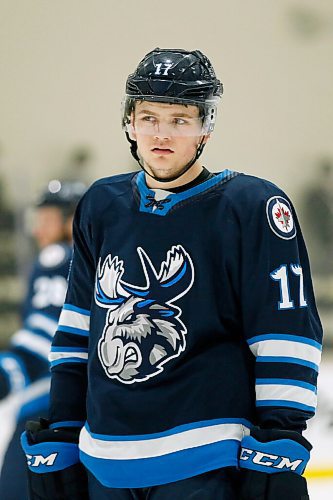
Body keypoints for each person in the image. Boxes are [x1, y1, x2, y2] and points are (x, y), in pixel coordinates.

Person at [22, 48, 322, 500]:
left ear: (205, 128)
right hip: (105, 461)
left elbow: (285, 330)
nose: (161, 134)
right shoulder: (102, 205)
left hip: (207, 459)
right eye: (149, 117)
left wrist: (281, 436)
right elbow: (77, 328)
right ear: (130, 123)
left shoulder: (253, 206)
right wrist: (63, 426)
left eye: (179, 120)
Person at [0, 179, 86, 499]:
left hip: (50, 403)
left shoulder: (58, 256)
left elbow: (48, 334)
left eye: (46, 220)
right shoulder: (103, 259)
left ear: (71, 220)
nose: (38, 231)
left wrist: (9, 371)